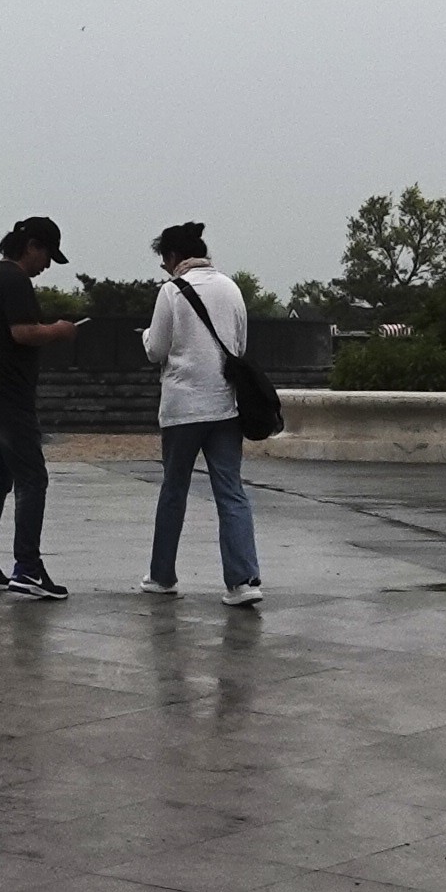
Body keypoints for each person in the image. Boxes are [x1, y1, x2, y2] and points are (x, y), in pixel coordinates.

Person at [141, 222, 260, 605]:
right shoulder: (231, 288)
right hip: (225, 405)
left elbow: (155, 350)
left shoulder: (171, 293)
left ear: (174, 257)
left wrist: (145, 335)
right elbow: (239, 345)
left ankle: (162, 576)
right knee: (231, 492)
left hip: (182, 408)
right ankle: (243, 581)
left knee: (174, 490)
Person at [0, 217, 76, 596]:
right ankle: (26, 567)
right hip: (8, 393)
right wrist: (59, 331)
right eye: (46, 255)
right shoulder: (15, 280)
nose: (46, 265)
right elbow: (23, 332)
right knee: (32, 478)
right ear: (31, 246)